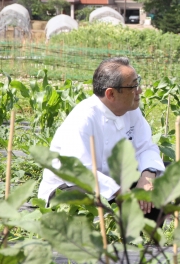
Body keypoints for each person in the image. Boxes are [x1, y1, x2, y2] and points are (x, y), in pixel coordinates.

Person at [38, 57, 165, 220]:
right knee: (84, 196)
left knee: (166, 177)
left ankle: (144, 235)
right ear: (111, 94)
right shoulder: (84, 118)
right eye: (133, 86)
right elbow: (80, 172)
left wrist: (147, 178)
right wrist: (120, 192)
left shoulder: (132, 110)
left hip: (117, 184)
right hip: (71, 187)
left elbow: (146, 147)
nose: (139, 90)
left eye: (138, 82)